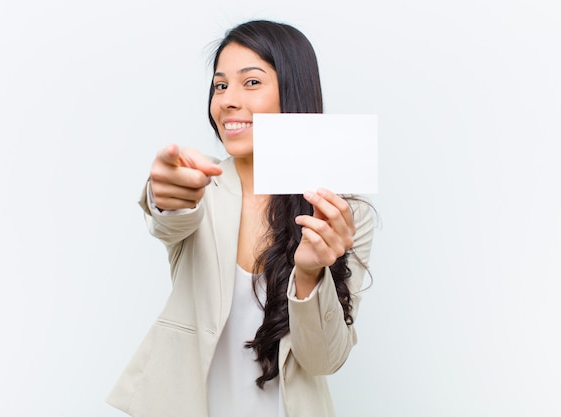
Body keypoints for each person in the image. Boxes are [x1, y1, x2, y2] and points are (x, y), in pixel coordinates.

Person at [107, 20, 375, 417]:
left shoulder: (342, 214)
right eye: (220, 85)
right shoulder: (200, 186)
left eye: (251, 83)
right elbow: (171, 215)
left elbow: (323, 360)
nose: (228, 100)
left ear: (293, 91)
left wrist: (310, 274)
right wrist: (162, 195)